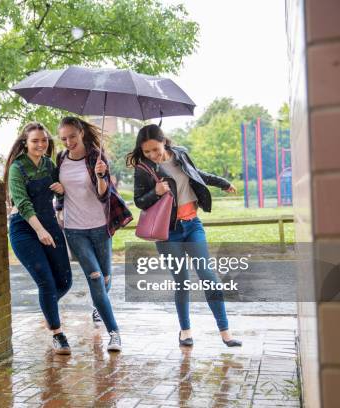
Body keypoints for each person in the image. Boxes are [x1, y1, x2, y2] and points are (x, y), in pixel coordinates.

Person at [128, 124, 242, 348]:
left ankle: (225, 332)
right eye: (147, 151)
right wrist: (156, 192)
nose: (152, 154)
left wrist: (223, 182)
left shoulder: (180, 154)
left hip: (192, 226)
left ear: (164, 142)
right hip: (168, 233)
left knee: (208, 276)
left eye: (155, 149)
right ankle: (185, 331)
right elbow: (140, 201)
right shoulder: (144, 169)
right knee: (182, 281)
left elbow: (196, 175)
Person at [52, 116, 133, 352]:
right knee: (96, 278)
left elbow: (103, 195)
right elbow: (61, 192)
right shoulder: (61, 158)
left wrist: (100, 176)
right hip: (75, 230)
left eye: (72, 137)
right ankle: (115, 333)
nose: (68, 142)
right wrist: (58, 199)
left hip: (100, 227)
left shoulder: (96, 157)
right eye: (63, 138)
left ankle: (99, 305)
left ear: (82, 134)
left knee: (105, 278)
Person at [4, 122, 73, 354]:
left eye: (44, 140)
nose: (41, 144)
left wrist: (61, 190)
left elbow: (59, 191)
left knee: (65, 281)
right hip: (24, 229)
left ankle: (48, 308)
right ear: (25, 143)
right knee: (46, 281)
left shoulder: (48, 165)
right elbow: (22, 203)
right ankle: (57, 333)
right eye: (35, 141)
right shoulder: (17, 168)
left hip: (50, 224)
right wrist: (39, 230)